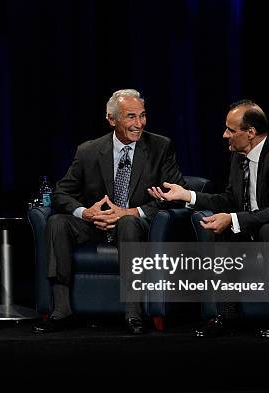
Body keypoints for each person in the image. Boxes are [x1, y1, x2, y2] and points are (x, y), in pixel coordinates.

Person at [148, 99, 269, 338]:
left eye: (230, 130)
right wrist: (187, 195)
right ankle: (226, 314)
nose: (225, 135)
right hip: (263, 220)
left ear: (251, 133)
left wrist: (233, 219)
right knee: (223, 230)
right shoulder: (238, 156)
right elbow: (229, 200)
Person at [33, 89, 186, 335]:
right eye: (131, 117)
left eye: (143, 116)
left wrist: (132, 212)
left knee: (127, 223)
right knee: (58, 222)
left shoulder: (160, 147)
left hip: (135, 227)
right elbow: (61, 193)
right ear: (112, 119)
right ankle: (61, 310)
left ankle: (133, 312)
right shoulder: (89, 151)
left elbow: (177, 195)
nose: (139, 124)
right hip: (95, 225)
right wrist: (87, 213)